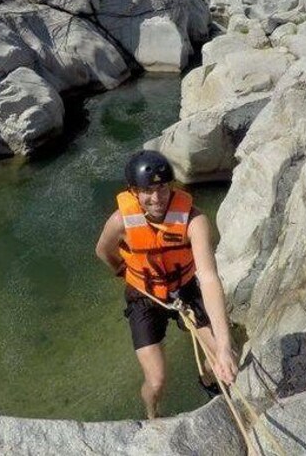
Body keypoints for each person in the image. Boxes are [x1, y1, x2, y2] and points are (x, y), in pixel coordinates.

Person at [95, 150, 238, 419]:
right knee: (157, 380)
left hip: (184, 289)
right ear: (134, 192)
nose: (156, 198)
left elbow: (208, 278)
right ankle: (152, 413)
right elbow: (103, 251)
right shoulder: (120, 221)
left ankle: (208, 383)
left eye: (162, 188)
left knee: (220, 359)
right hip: (144, 296)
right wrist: (123, 271)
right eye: (147, 190)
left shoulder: (194, 221)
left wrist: (225, 346)